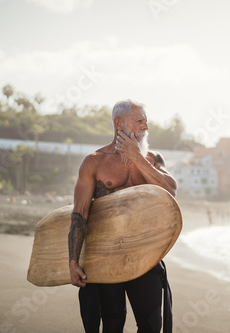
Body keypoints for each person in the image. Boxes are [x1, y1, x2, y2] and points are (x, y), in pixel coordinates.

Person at [68, 100, 177, 333]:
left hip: (144, 254)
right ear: (119, 123)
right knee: (112, 324)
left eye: (146, 120)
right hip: (107, 255)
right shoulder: (94, 161)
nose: (145, 125)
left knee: (151, 324)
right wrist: (73, 261)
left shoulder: (153, 159)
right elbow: (80, 213)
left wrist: (138, 157)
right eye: (139, 120)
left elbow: (171, 191)